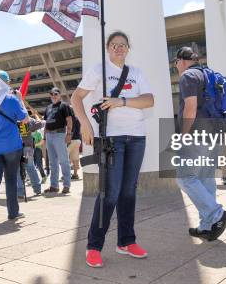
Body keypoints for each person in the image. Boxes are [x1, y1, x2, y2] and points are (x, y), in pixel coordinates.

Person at [71, 31, 154, 268]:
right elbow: (76, 98)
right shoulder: (100, 70)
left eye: (123, 45)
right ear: (108, 48)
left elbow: (149, 100)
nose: (119, 48)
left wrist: (123, 101)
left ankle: (126, 241)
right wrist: (85, 123)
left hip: (137, 137)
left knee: (129, 191)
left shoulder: (136, 73)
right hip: (112, 139)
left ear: (128, 49)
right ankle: (94, 246)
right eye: (114, 45)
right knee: (110, 193)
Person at [173, 47, 226, 241]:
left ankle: (217, 215)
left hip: (197, 133)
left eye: (175, 64)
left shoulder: (188, 76)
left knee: (185, 177)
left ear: (181, 61)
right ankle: (207, 226)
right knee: (206, 179)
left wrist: (183, 134)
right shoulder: (210, 75)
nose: (177, 68)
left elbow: (190, 108)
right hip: (214, 133)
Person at [0, 70, 30, 228]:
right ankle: (13, 212)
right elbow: (25, 119)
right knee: (10, 178)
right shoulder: (11, 99)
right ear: (7, 82)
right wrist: (20, 100)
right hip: (11, 145)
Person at [43, 87, 73, 194]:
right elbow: (46, 123)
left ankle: (66, 185)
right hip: (49, 135)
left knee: (63, 161)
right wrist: (44, 137)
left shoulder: (64, 105)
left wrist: (69, 133)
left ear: (59, 95)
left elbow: (69, 120)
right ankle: (54, 186)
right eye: (51, 94)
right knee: (52, 162)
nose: (53, 96)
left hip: (60, 134)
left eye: (55, 94)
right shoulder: (48, 107)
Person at [68, 106, 82, 180]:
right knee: (75, 158)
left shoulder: (69, 119)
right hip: (78, 140)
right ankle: (75, 174)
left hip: (71, 140)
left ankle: (66, 174)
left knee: (65, 157)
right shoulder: (77, 118)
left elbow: (70, 130)